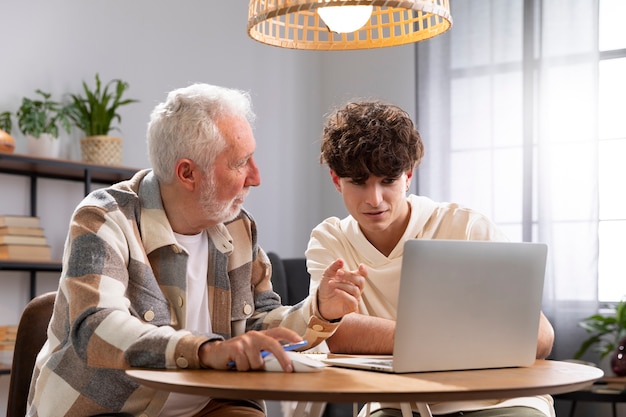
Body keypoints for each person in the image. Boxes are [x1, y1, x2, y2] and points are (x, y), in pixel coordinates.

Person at [26, 84, 364, 417]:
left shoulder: (237, 225)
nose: (256, 177)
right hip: (111, 410)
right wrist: (206, 350)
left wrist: (319, 309)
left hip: (211, 405)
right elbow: (97, 328)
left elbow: (257, 324)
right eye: (240, 162)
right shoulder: (104, 217)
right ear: (187, 173)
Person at [306, 100, 556, 417]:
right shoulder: (330, 240)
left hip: (497, 398)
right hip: (395, 404)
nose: (374, 199)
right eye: (358, 183)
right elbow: (337, 332)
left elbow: (539, 335)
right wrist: (452, 339)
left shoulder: (464, 226)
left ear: (408, 176)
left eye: (388, 181)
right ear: (335, 179)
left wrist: (415, 342)